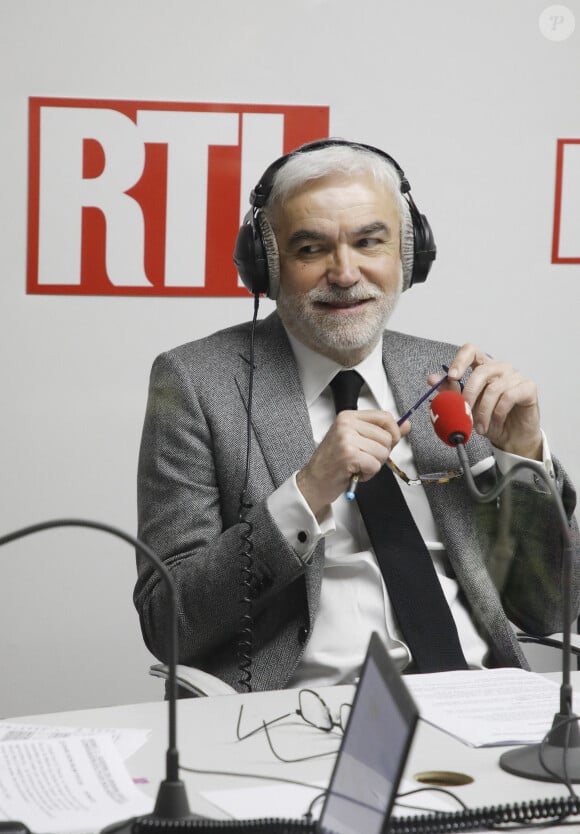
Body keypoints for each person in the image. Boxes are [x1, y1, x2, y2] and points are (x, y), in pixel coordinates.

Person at [134, 138, 580, 693]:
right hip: (303, 718)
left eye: (370, 241)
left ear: (408, 255)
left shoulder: (453, 376)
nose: (345, 273)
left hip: (480, 700)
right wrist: (304, 494)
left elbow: (552, 610)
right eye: (310, 249)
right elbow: (167, 622)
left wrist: (523, 458)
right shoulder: (198, 383)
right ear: (266, 266)